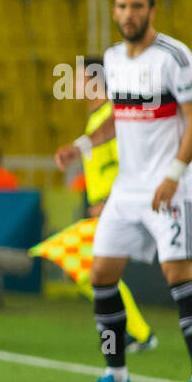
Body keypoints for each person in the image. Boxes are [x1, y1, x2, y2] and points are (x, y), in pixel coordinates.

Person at [54, 0, 192, 382]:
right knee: (101, 276)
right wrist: (82, 146)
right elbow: (117, 118)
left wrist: (174, 173)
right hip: (127, 189)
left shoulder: (175, 58)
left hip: (171, 186)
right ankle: (116, 374)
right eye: (123, 7)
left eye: (138, 6)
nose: (129, 14)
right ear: (114, 11)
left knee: (177, 275)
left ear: (152, 11)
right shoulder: (111, 59)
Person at [31, 55, 156, 352]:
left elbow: (130, 161)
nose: (72, 83)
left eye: (77, 77)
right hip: (109, 205)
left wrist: (110, 200)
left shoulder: (111, 117)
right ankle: (130, 332)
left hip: (119, 205)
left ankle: (136, 333)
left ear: (94, 80)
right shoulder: (98, 118)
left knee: (93, 270)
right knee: (89, 270)